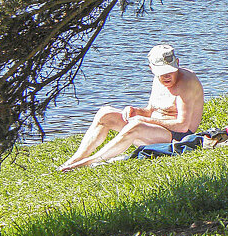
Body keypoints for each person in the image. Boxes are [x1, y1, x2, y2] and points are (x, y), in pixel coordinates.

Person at [58, 44, 205, 172]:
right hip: (153, 129)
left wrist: (143, 118)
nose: (166, 76)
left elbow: (182, 126)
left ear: (177, 63)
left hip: (177, 137)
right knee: (105, 113)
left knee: (136, 125)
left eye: (170, 71)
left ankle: (89, 162)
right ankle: (75, 159)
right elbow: (152, 110)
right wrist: (136, 111)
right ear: (151, 69)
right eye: (161, 72)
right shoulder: (158, 80)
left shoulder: (186, 82)